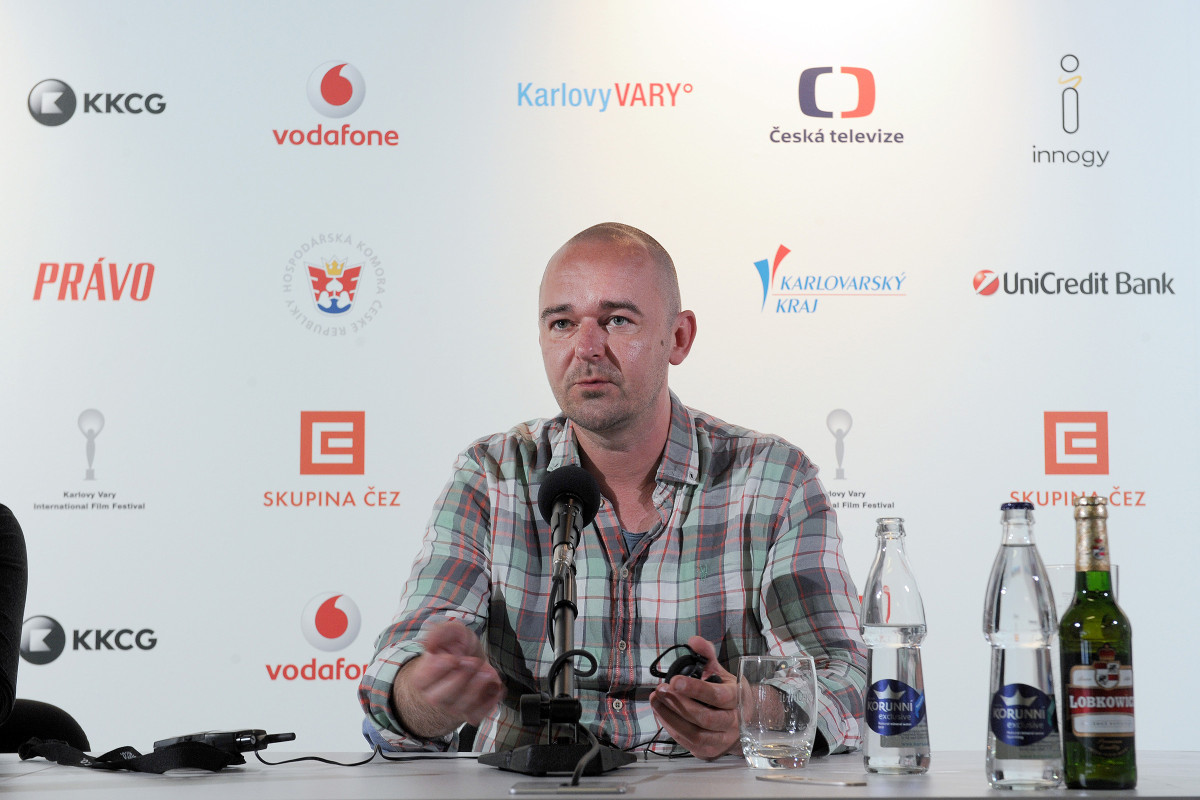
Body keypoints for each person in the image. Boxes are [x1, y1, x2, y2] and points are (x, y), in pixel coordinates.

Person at [358, 223, 866, 759]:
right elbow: (396, 676)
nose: (586, 348)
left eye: (617, 320)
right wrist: (430, 694)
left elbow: (844, 676)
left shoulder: (773, 480)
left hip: (704, 791)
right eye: (561, 323)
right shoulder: (492, 475)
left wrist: (754, 711)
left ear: (679, 338)